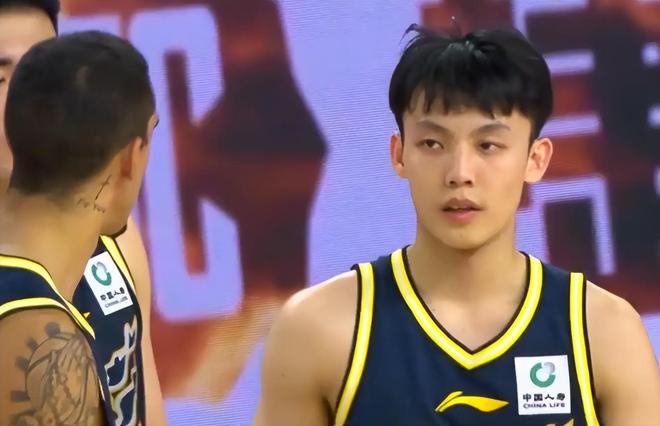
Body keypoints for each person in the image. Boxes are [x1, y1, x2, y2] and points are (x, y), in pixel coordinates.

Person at [255, 25, 660, 425]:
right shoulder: (319, 330)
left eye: (488, 145)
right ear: (399, 155)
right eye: (433, 144)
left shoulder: (603, 333)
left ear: (535, 159)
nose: (460, 173)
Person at [0, 1, 167, 424]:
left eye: (37, 71)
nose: (21, 99)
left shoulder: (114, 238)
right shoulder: (22, 319)